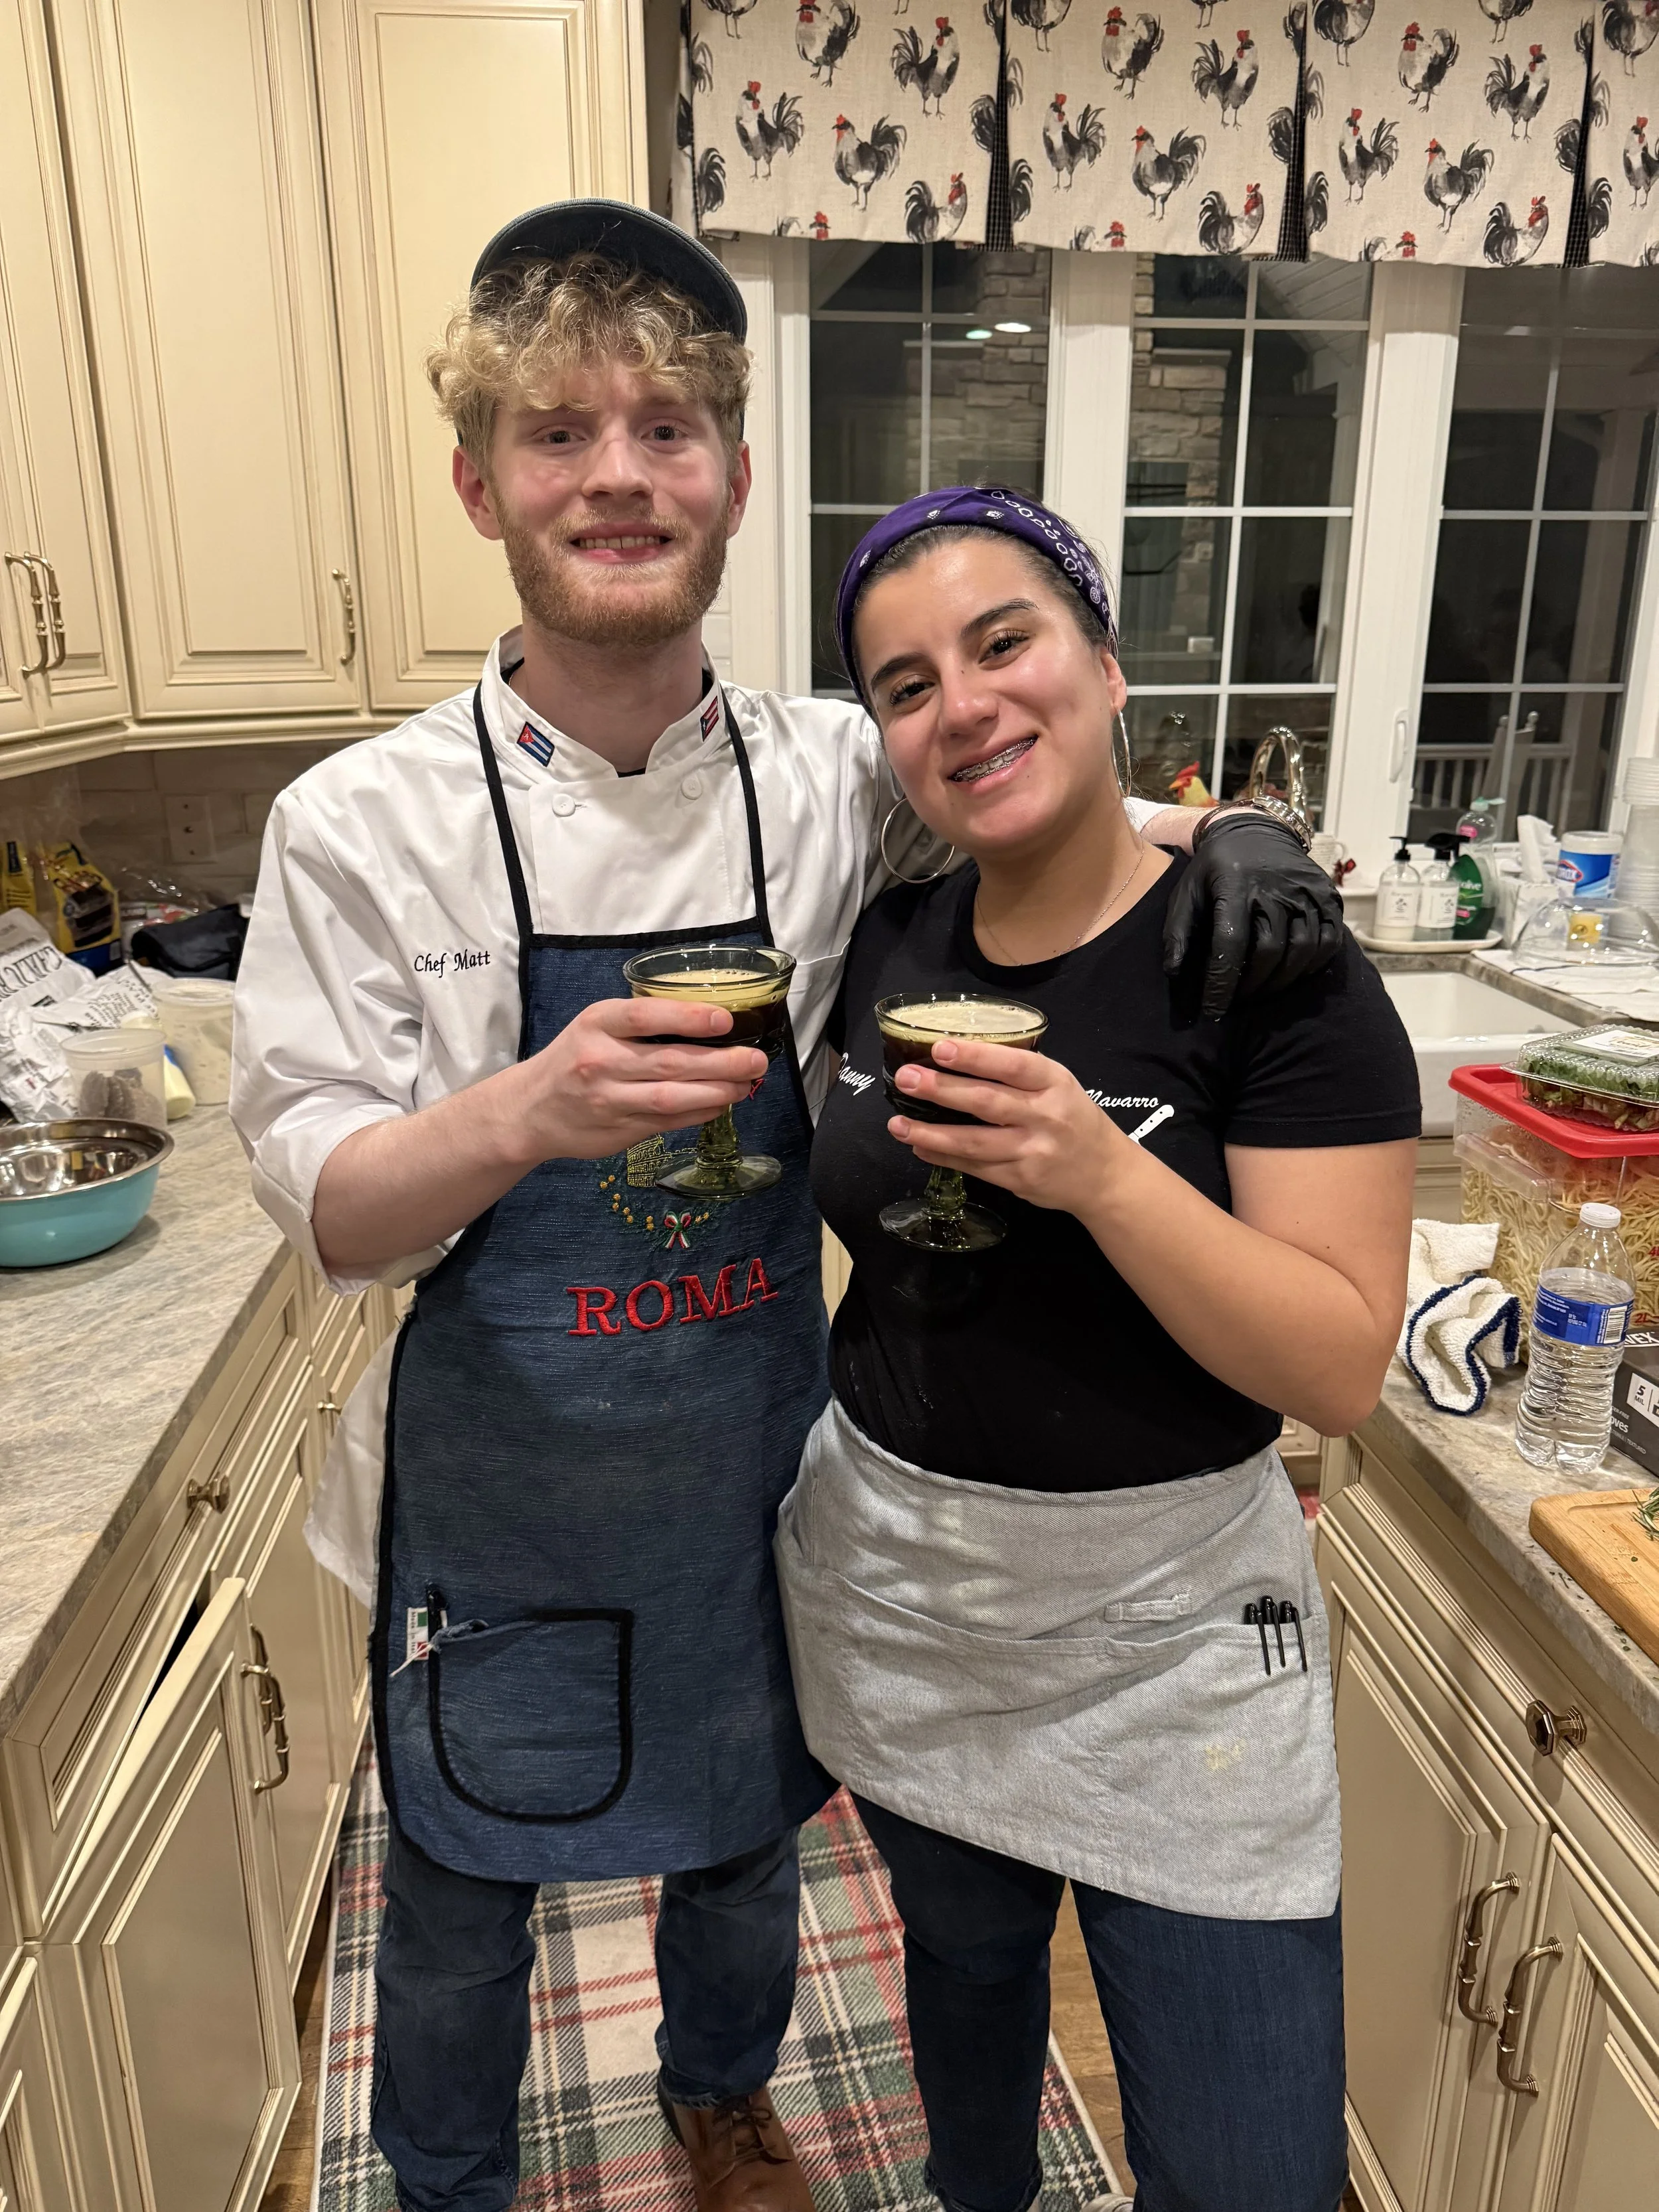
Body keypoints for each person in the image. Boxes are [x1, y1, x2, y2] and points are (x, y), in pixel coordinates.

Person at [230, 204, 1348, 2212]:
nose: (618, 474)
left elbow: (1053, 788)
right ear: (479, 479)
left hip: (766, 1462)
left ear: (734, 475)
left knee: (747, 1844)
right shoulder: (357, 820)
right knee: (464, 1891)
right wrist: (522, 1111)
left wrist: (1250, 820)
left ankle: (719, 2101)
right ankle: (444, 2179)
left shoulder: (833, 771)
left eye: (667, 426)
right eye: (560, 432)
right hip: (506, 1486)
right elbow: (324, 1199)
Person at [775, 487, 1420, 2212]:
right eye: (905, 684)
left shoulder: (1268, 966)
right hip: (909, 1603)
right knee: (969, 1993)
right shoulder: (887, 938)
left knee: (1243, 2167)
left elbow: (1340, 1363)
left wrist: (1094, 1171)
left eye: (1003, 643)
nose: (963, 703)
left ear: (1104, 660)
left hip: (1171, 1659)